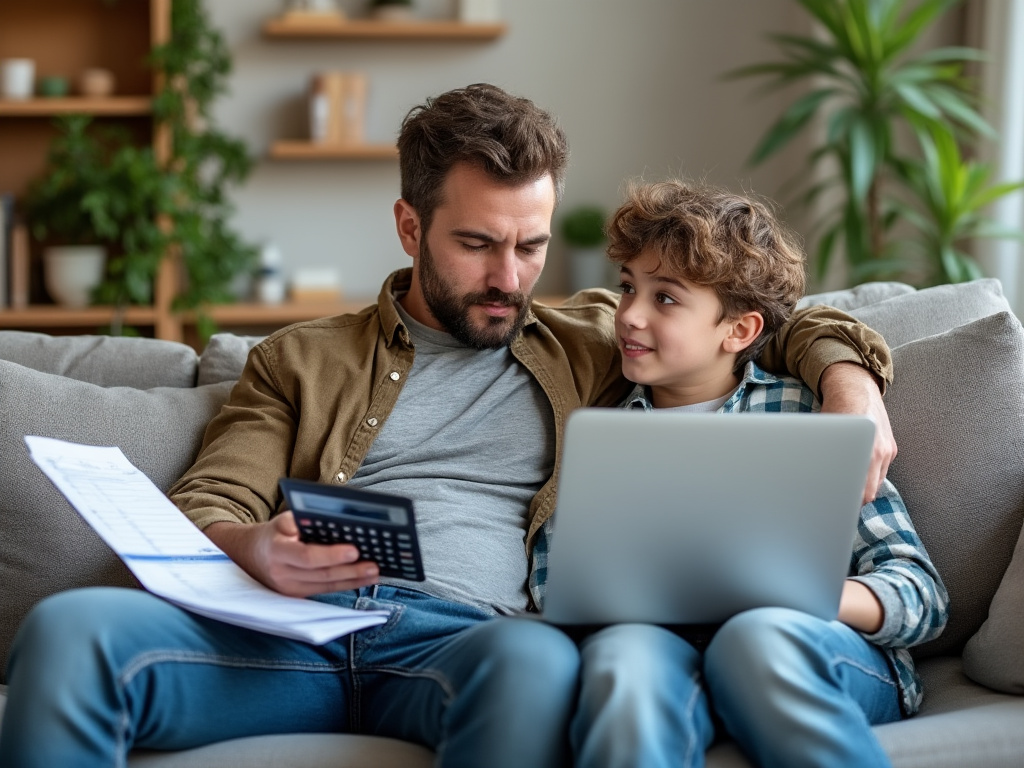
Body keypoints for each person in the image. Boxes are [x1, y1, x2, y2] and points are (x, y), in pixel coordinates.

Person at [0, 85, 896, 768]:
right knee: (71, 628)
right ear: (409, 226)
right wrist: (250, 547)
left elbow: (767, 313)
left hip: (467, 640)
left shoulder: (598, 336)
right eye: (477, 245)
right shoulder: (297, 359)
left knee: (537, 663)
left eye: (531, 244)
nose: (510, 276)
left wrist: (849, 381)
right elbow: (210, 496)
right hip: (286, 632)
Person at [567, 180, 949, 768]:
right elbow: (556, 580)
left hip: (810, 650)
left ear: (739, 331)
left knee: (755, 638)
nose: (629, 315)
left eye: (665, 298)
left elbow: (921, 596)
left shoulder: (811, 415)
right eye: (627, 289)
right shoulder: (604, 433)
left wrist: (812, 596)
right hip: (666, 657)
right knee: (623, 659)